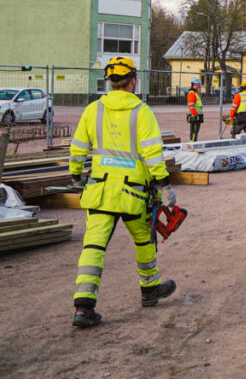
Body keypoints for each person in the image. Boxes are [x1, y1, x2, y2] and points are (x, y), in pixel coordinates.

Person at [68, 56, 177, 328]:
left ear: (111, 82)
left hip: (100, 192)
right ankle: (149, 289)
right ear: (133, 81)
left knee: (93, 246)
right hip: (134, 195)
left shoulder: (94, 109)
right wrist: (164, 184)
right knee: (143, 240)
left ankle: (83, 307)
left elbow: (78, 147)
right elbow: (153, 153)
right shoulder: (142, 112)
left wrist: (75, 174)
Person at [186, 77, 203, 142]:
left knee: (196, 131)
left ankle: (193, 142)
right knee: (194, 131)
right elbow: (190, 106)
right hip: (194, 116)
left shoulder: (196, 93)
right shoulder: (192, 94)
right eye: (196, 85)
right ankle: (192, 143)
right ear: (192, 85)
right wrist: (195, 115)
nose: (197, 86)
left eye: (198, 85)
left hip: (198, 115)